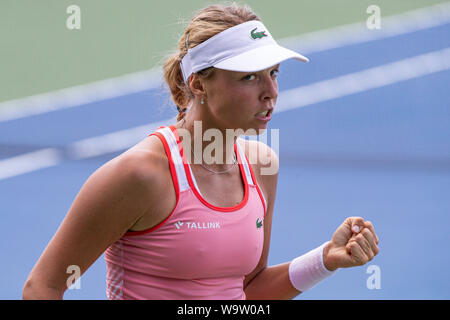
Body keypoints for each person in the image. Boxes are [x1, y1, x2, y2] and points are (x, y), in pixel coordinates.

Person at [22, 3, 379, 300]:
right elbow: (44, 286)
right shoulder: (141, 175)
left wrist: (325, 260)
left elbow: (247, 291)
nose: (270, 91)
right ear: (198, 84)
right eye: (249, 77)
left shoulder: (261, 165)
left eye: (274, 73)